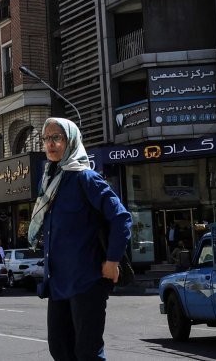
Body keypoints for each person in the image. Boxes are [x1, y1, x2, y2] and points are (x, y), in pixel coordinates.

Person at [28, 117, 131, 361]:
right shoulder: (51, 180)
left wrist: (112, 260)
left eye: (57, 138)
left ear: (71, 141)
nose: (50, 144)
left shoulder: (85, 178)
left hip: (87, 281)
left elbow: (121, 218)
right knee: (60, 349)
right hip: (59, 282)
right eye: (46, 139)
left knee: (87, 353)